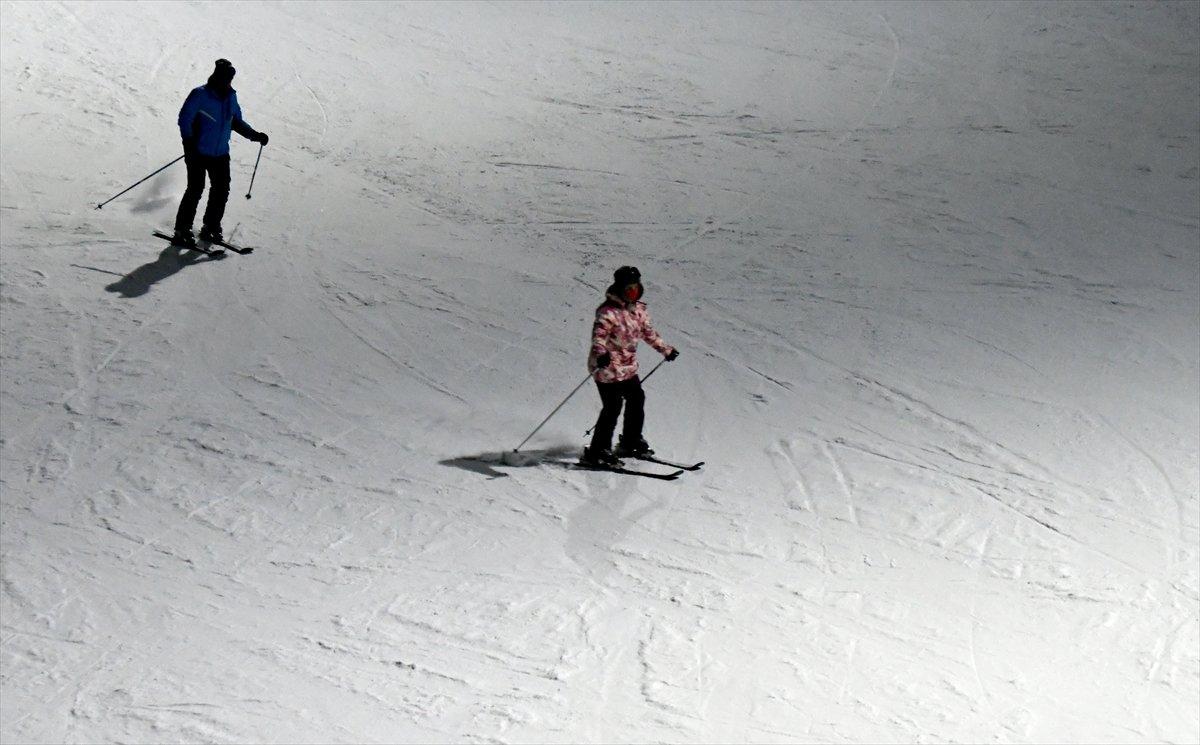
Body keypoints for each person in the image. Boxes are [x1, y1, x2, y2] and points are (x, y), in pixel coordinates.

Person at [582, 266, 679, 467]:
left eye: (635, 287)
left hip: (627, 367)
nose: (632, 291)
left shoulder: (638, 311)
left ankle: (630, 441)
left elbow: (648, 333)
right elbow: (598, 337)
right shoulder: (607, 312)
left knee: (637, 398)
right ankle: (598, 451)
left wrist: (666, 350)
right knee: (613, 406)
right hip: (607, 368)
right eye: (628, 288)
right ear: (620, 288)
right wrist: (601, 354)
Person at [172, 59, 268, 247]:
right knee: (196, 188)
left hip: (220, 153)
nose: (229, 82)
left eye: (230, 78)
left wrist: (255, 136)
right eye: (226, 78)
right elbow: (184, 119)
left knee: (221, 189)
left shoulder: (231, 97)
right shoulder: (200, 94)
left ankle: (211, 226)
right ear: (217, 76)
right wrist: (189, 144)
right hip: (198, 152)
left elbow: (235, 122)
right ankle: (182, 228)